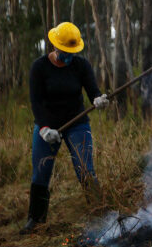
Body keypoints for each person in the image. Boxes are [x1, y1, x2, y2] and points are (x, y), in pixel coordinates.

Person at [21, 22, 110, 234]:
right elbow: (36, 102)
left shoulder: (81, 65)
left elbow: (93, 91)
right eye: (65, 51)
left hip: (77, 123)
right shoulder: (39, 67)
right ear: (55, 46)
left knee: (85, 170)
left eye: (72, 51)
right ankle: (35, 219)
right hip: (47, 125)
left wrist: (99, 99)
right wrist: (43, 128)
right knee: (41, 173)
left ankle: (101, 215)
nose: (68, 56)